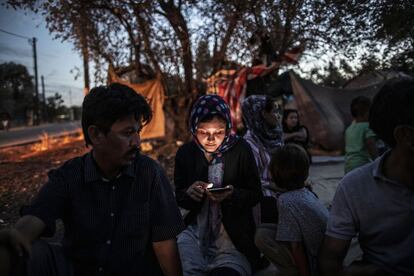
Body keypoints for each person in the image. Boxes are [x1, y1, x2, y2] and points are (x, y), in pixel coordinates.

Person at [0, 83, 185, 276]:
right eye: (127, 133)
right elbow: (37, 215)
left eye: (138, 132)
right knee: (17, 250)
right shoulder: (70, 175)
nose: (137, 143)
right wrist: (17, 235)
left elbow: (164, 244)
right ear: (96, 135)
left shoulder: (150, 173)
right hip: (81, 271)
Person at [319, 78, 414, 275]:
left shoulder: (350, 129)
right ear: (406, 135)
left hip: (351, 164)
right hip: (363, 163)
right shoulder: (356, 188)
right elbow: (330, 263)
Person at [174, 94, 263, 275]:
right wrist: (190, 194)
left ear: (228, 128)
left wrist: (232, 194)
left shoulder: (241, 149)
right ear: (193, 128)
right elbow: (179, 197)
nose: (211, 139)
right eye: (204, 132)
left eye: (219, 132)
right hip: (195, 230)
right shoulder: (185, 153)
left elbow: (255, 193)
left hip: (232, 237)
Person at [255, 144, 328, 276]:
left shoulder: (286, 201)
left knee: (262, 237)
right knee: (265, 231)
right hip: (324, 254)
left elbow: (297, 247)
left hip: (314, 262)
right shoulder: (306, 191)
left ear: (276, 172)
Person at [242, 95, 284, 224]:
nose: (278, 115)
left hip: (282, 188)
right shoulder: (249, 144)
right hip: (265, 195)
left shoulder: (275, 135)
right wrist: (279, 187)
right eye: (274, 111)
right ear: (263, 114)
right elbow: (252, 181)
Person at [344, 96, 378, 173]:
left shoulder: (349, 128)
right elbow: (370, 143)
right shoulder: (367, 127)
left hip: (348, 165)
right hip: (362, 164)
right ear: (367, 113)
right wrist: (377, 160)